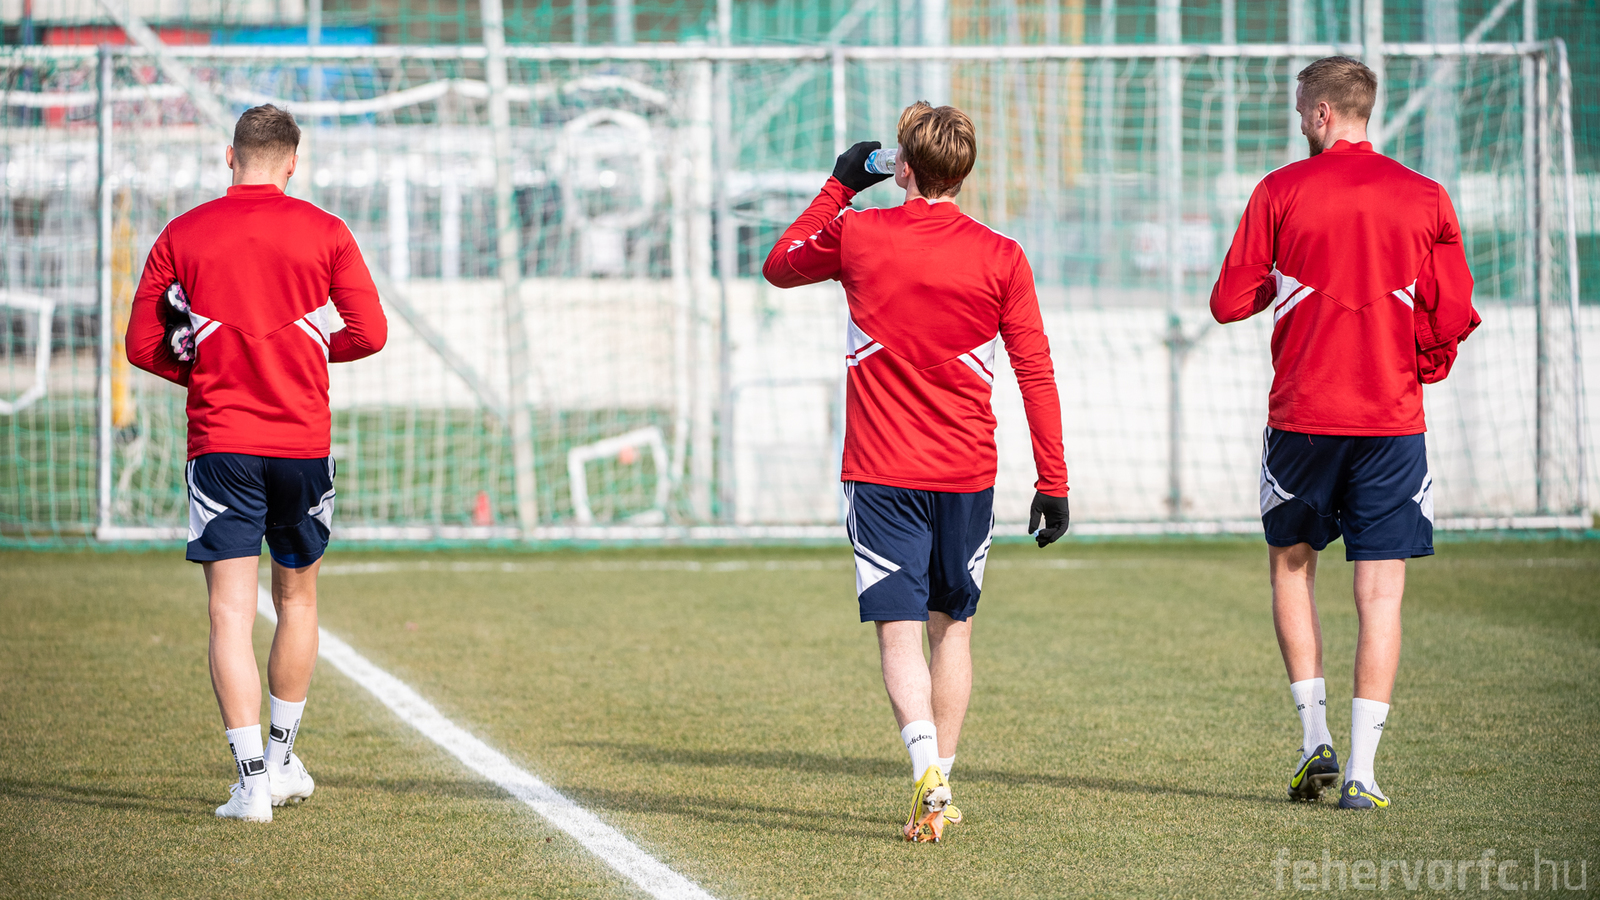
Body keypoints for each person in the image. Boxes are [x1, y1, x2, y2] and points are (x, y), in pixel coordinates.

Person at [762, 102, 1071, 842]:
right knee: (952, 630)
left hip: (880, 473)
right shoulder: (1003, 255)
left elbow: (780, 264)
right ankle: (943, 783)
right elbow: (1035, 372)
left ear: (903, 167)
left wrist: (840, 183)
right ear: (964, 171)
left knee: (898, 633)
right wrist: (1053, 481)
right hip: (967, 474)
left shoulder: (859, 233)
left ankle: (925, 770)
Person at [1209, 57, 1479, 809]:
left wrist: (1280, 283)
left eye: (1302, 109)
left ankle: (1312, 740)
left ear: (1323, 113)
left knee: (1292, 568)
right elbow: (1451, 312)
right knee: (1381, 593)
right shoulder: (1426, 196)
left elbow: (1228, 300)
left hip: (1303, 417)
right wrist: (1414, 362)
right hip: (1391, 420)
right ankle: (1363, 772)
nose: (1299, 121)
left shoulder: (1279, 190)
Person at [126, 104, 387, 822]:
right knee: (297, 601)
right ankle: (279, 763)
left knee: (228, 613)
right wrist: (306, 354)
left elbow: (142, 344)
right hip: (302, 443)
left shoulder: (182, 232)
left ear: (229, 155)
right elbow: (370, 333)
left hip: (222, 444)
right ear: (293, 163)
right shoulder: (327, 231)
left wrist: (215, 370)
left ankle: (251, 786)